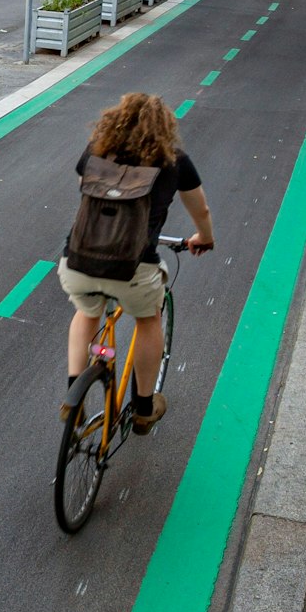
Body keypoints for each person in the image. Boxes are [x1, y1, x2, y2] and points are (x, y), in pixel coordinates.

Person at [60, 94, 215, 434]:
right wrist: (203, 237)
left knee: (87, 312)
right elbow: (200, 209)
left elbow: (87, 194)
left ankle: (74, 397)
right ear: (165, 127)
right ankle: (144, 407)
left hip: (79, 261)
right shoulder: (175, 161)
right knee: (148, 320)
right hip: (135, 268)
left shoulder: (96, 151)